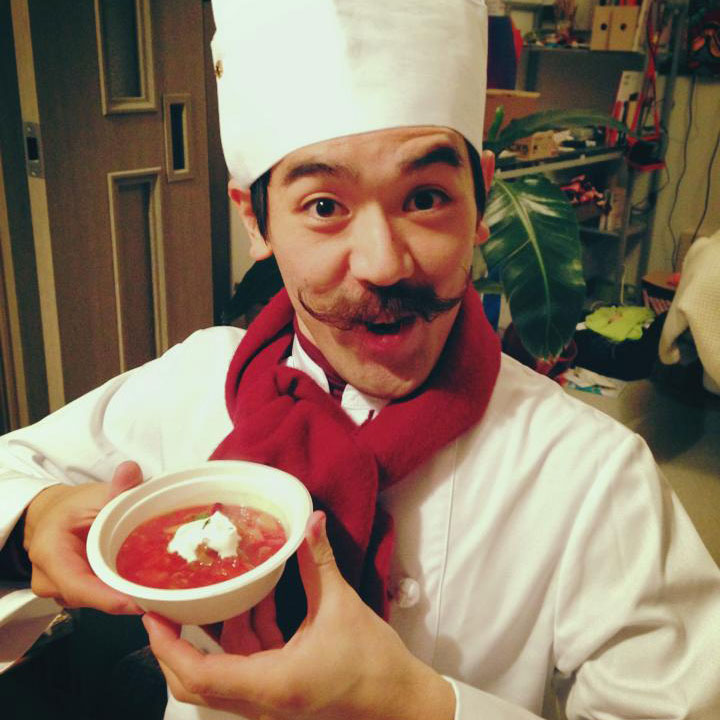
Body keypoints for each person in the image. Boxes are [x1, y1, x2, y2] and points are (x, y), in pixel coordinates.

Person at [2, 1, 720, 718]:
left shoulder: (592, 474)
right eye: (323, 207)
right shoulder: (192, 382)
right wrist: (37, 513)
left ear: (482, 200)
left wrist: (417, 704)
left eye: (427, 197)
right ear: (256, 221)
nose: (382, 264)